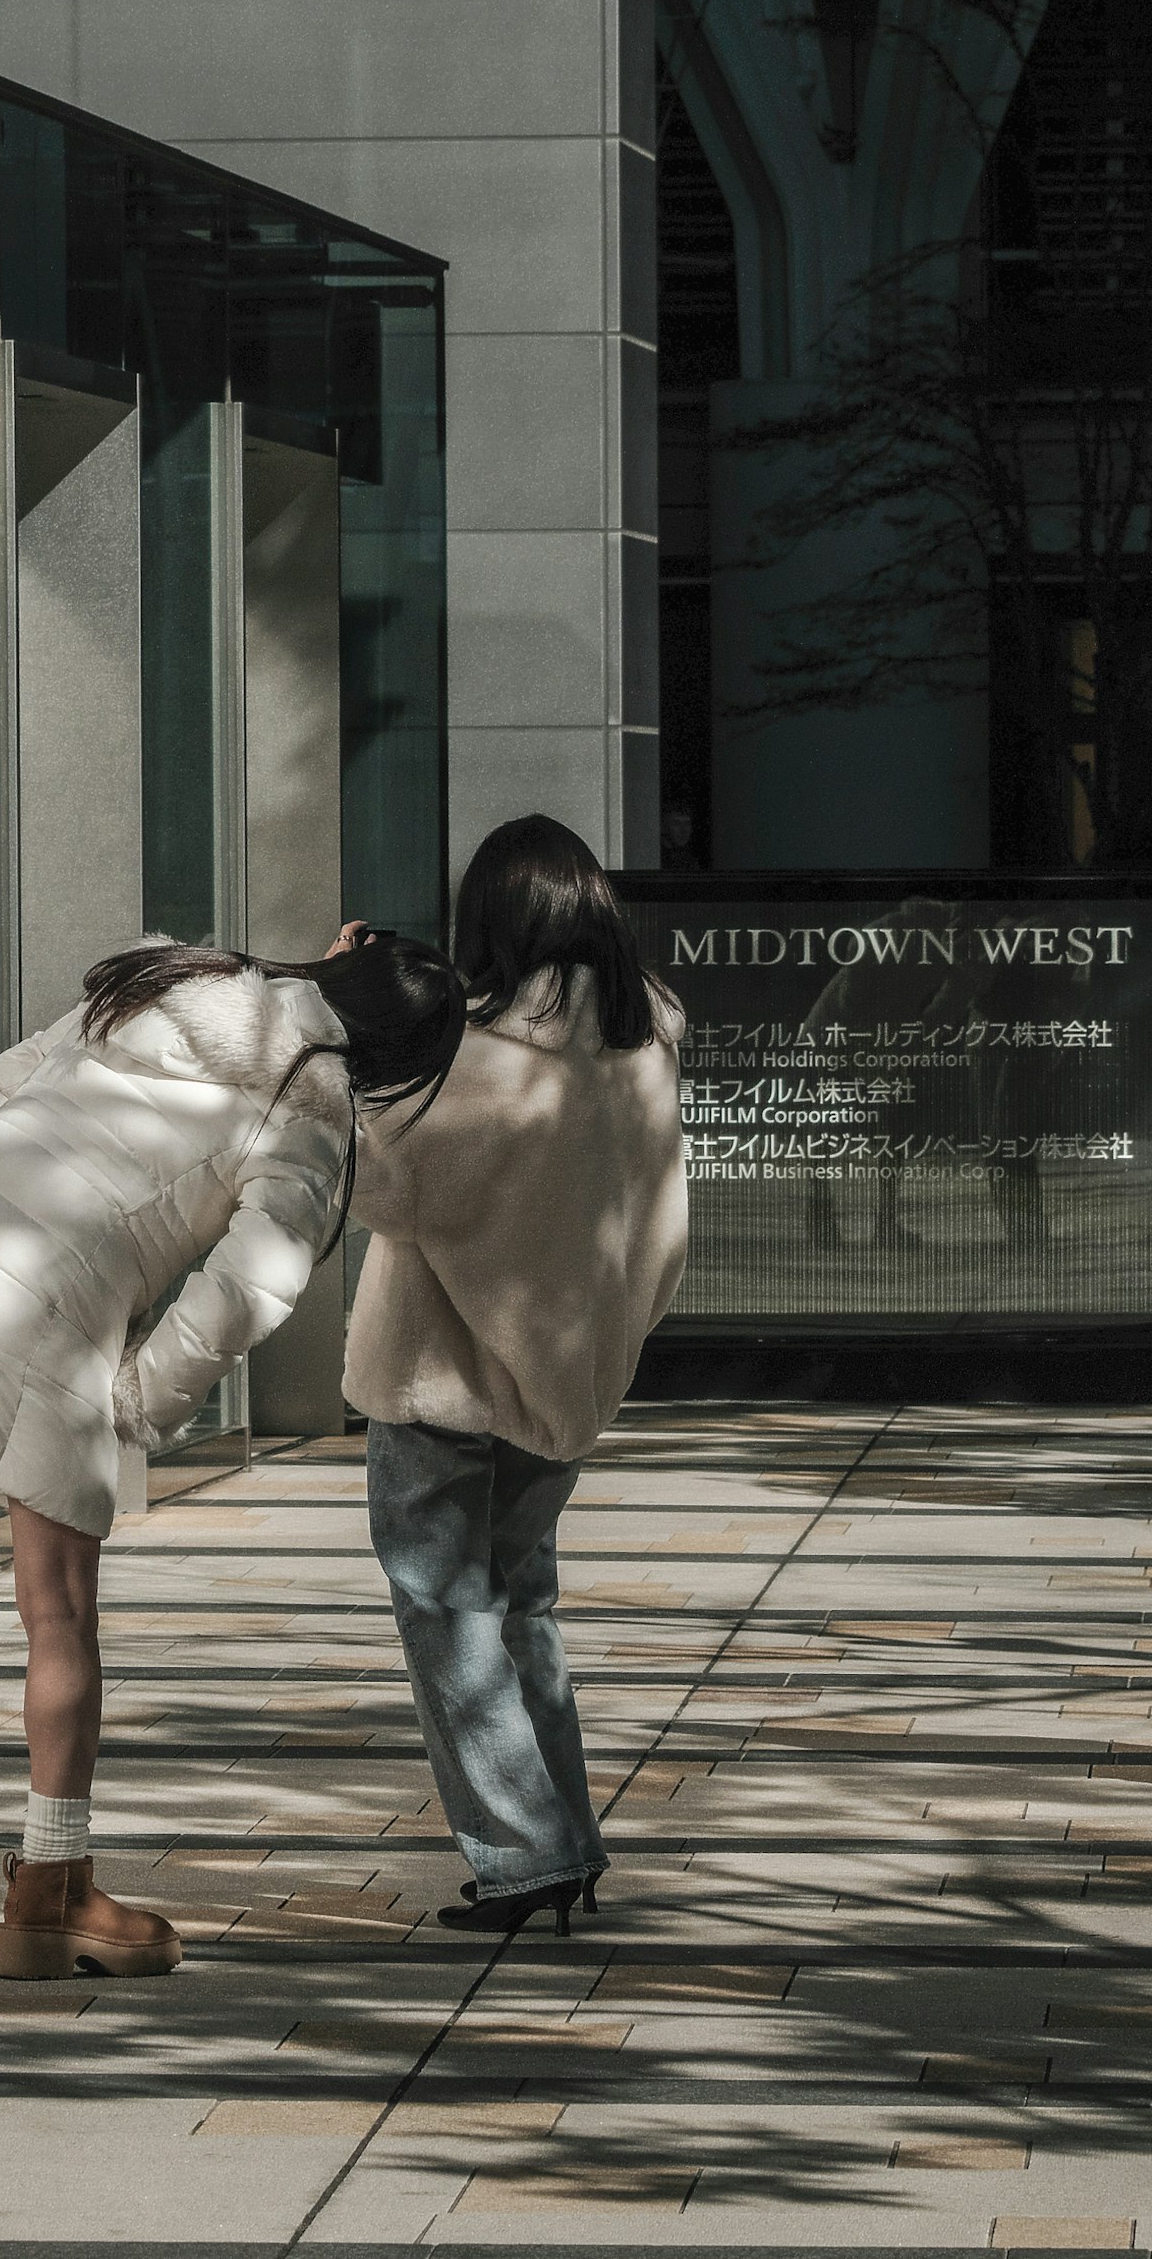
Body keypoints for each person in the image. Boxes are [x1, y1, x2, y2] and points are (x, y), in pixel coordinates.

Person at [0, 929, 467, 1978]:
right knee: (56, 1613)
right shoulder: (315, 1100)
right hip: (50, 1307)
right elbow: (253, 1283)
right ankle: (52, 1887)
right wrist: (142, 1396)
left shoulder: (176, 978)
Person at [345, 816, 689, 1937]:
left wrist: (366, 1020)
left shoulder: (475, 1055)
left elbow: (382, 1189)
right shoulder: (647, 1039)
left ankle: (524, 1855)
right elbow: (656, 1227)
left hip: (440, 1381)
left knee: (446, 1613)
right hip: (564, 1386)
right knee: (522, 1607)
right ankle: (563, 1844)